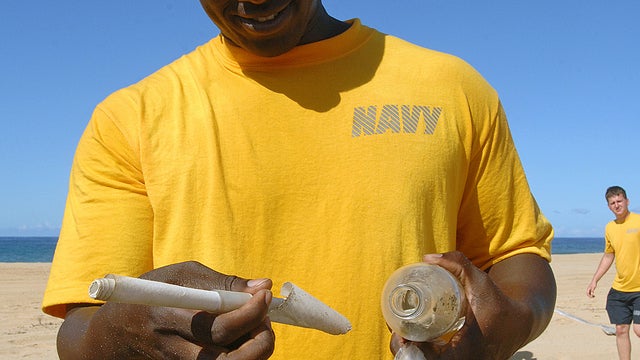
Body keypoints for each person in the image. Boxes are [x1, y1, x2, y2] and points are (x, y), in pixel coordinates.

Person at [42, 1, 556, 359]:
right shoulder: (130, 118)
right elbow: (80, 331)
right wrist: (127, 330)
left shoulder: (454, 90)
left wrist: (504, 327)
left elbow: (519, 257)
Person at [587, 186, 640, 360]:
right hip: (620, 289)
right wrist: (595, 280)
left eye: (619, 201)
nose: (617, 205)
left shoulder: (638, 221)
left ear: (627, 201)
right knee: (620, 330)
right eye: (612, 203)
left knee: (638, 330)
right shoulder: (610, 228)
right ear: (609, 206)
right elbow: (609, 256)